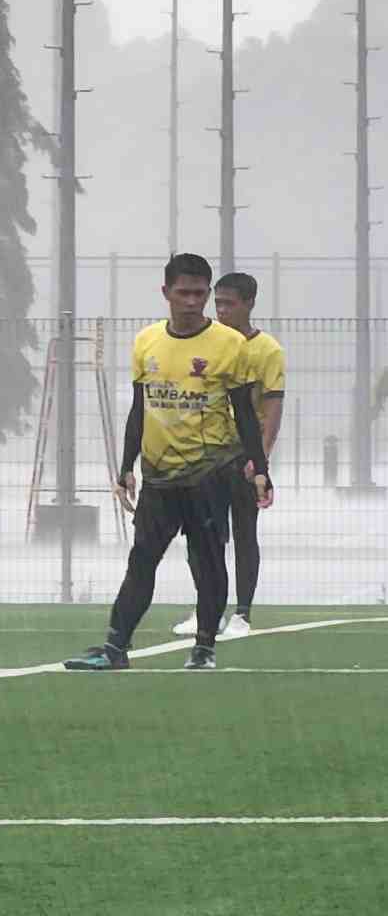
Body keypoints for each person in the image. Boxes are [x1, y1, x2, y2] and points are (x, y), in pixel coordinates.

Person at [65, 252, 273, 674]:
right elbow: (139, 408)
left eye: (199, 293)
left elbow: (244, 413)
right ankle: (114, 647)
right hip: (158, 478)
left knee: (207, 561)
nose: (192, 301)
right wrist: (126, 466)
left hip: (210, 475)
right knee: (142, 560)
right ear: (166, 293)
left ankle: (204, 647)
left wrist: (260, 469)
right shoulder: (147, 341)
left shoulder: (230, 345)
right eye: (183, 293)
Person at [173, 270, 285, 641]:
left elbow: (272, 407)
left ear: (249, 304)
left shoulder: (267, 350)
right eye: (217, 303)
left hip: (243, 456)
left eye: (229, 304)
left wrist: (260, 459)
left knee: (244, 533)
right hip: (205, 456)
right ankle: (206, 609)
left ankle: (242, 614)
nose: (221, 310)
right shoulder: (206, 343)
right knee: (202, 534)